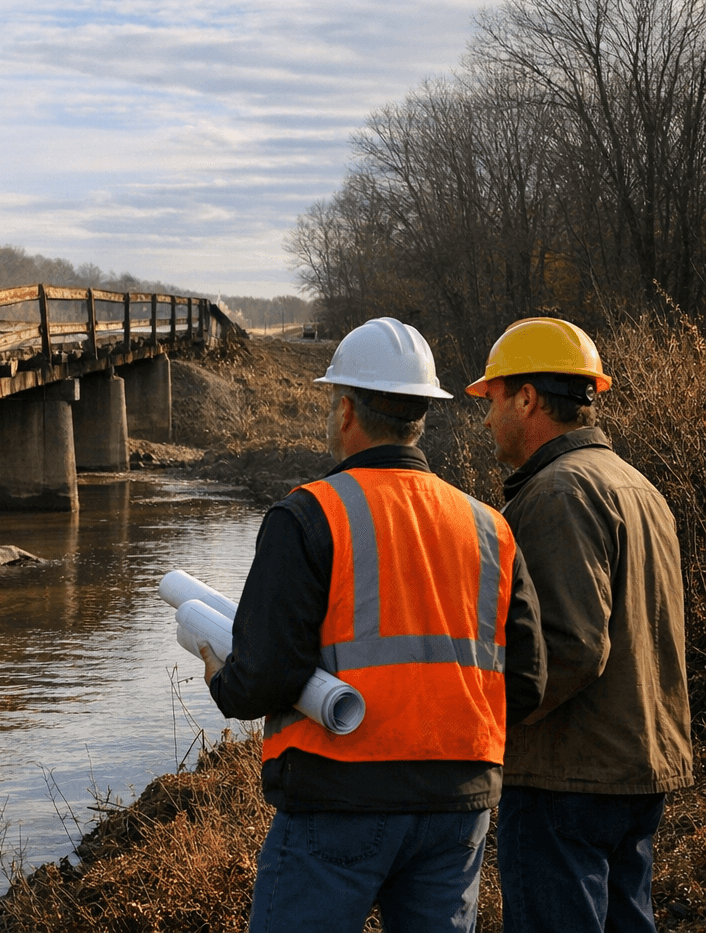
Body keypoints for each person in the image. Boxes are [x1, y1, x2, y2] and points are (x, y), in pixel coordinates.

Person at [203, 317, 546, 933]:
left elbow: (265, 675)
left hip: (339, 799)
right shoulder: (490, 527)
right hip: (457, 804)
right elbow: (525, 681)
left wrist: (222, 680)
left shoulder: (307, 516)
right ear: (422, 416)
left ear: (344, 411)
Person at [466, 317, 692, 933]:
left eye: (491, 400)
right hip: (636, 768)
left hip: (567, 778)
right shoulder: (639, 487)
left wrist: (484, 723)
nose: (485, 420)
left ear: (528, 398)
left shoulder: (558, 492)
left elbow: (570, 647)